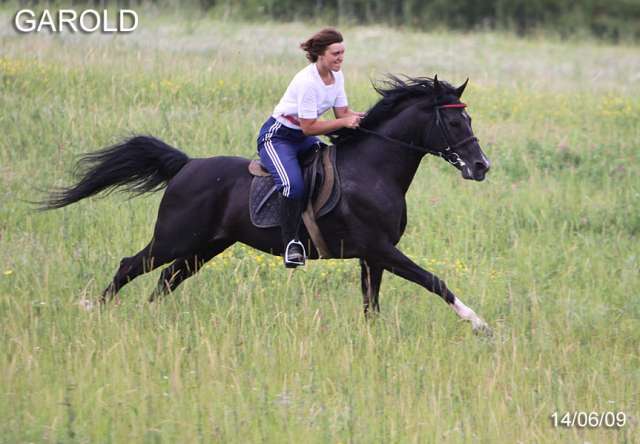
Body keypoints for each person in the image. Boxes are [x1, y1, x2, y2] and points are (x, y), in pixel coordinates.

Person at [256, 28, 363, 268]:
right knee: (293, 186)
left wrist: (366, 118)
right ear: (321, 55)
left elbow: (342, 113)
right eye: (335, 53)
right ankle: (291, 244)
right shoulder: (307, 82)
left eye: (343, 52)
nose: (340, 58)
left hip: (303, 139)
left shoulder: (337, 76)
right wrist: (345, 122)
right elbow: (308, 127)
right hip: (279, 138)